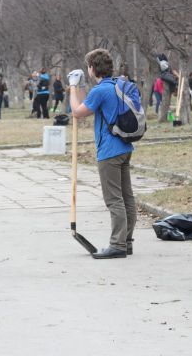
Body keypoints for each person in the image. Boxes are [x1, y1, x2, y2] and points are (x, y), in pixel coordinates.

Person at [68, 48, 137, 259]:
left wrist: (71, 87)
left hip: (109, 151)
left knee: (114, 199)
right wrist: (79, 87)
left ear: (92, 68)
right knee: (127, 197)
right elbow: (86, 105)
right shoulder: (119, 85)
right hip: (125, 146)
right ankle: (126, 241)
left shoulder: (101, 91)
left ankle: (117, 245)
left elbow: (77, 112)